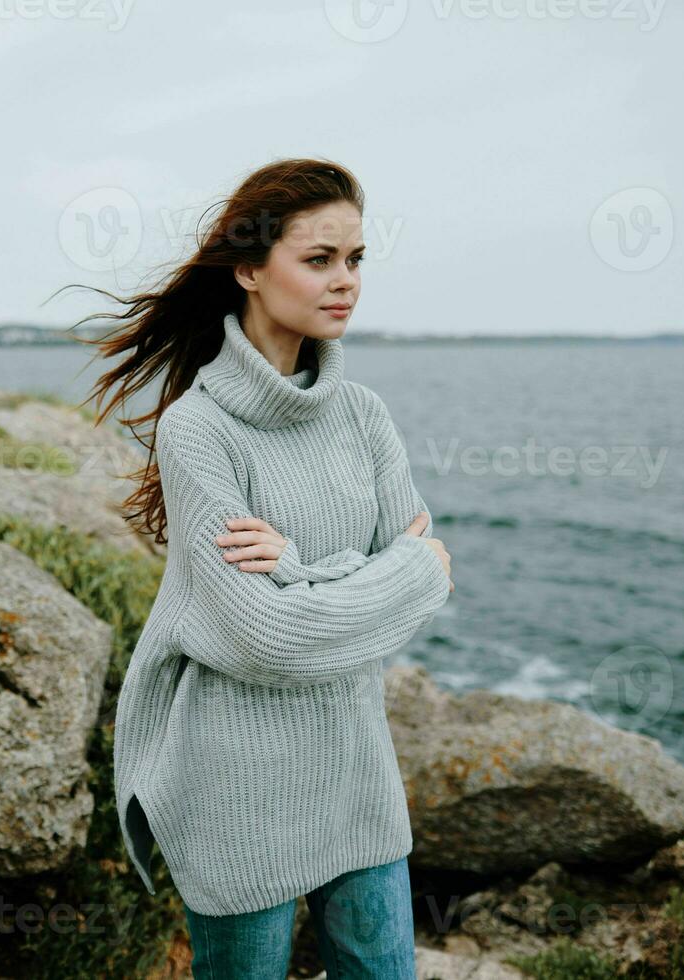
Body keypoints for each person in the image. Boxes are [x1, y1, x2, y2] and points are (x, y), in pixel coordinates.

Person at [75, 158, 454, 978]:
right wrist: (404, 570)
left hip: (357, 771)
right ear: (249, 269)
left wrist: (301, 567)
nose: (345, 281)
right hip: (238, 791)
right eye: (318, 259)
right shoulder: (198, 432)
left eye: (355, 259)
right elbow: (270, 640)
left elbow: (425, 584)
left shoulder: (363, 415)